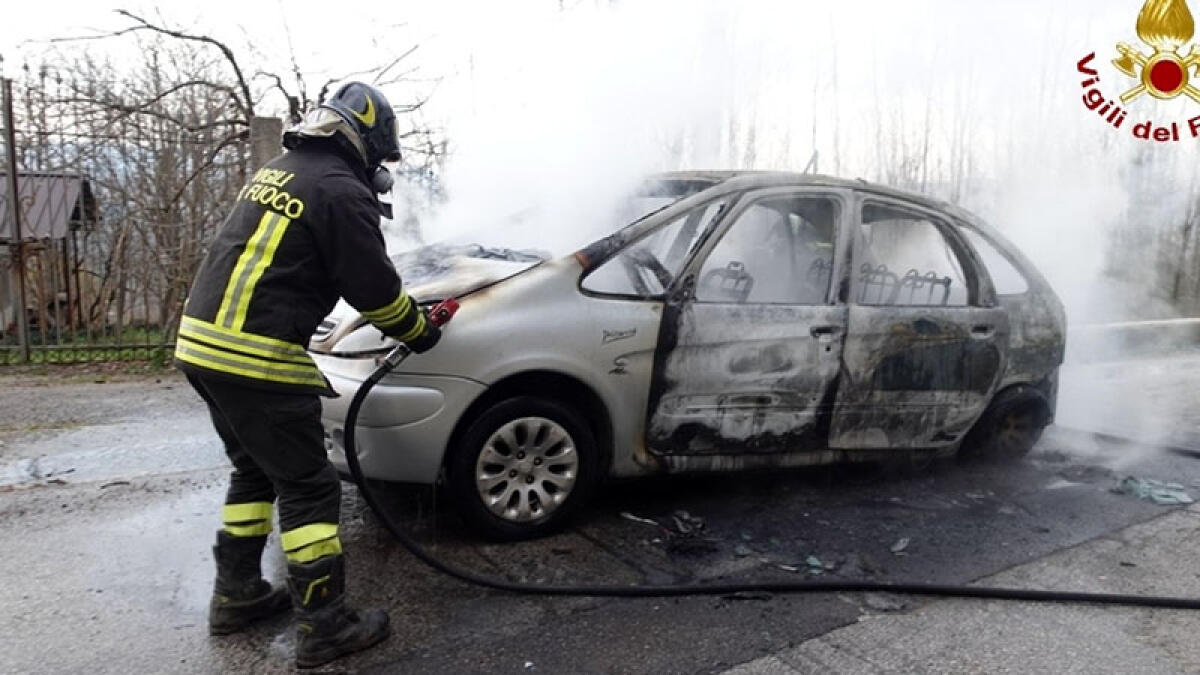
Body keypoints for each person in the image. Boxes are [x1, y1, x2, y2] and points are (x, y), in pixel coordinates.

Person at [173, 81, 441, 668]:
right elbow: (373, 291)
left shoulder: (283, 168)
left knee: (255, 469)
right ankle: (324, 625)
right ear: (365, 139)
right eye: (381, 154)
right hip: (255, 358)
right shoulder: (343, 190)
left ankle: (237, 594)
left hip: (201, 346)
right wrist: (420, 330)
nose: (380, 167)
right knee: (310, 487)